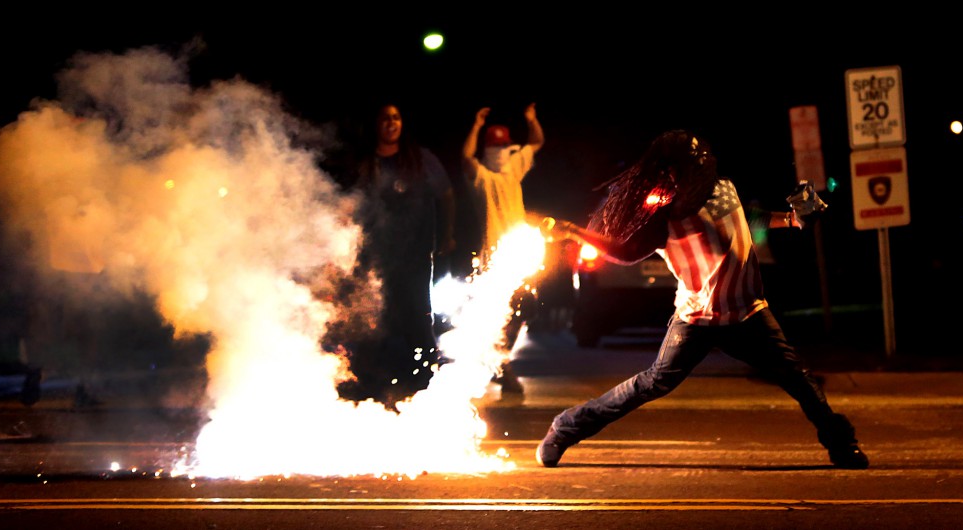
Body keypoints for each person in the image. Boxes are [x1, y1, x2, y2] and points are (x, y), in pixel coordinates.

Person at [534, 130, 868, 469]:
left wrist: (793, 219)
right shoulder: (662, 218)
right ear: (671, 174)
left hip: (747, 313)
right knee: (651, 384)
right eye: (689, 168)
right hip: (696, 320)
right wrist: (573, 231)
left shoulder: (723, 188)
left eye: (700, 165)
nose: (699, 172)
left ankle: (842, 445)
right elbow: (624, 252)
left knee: (798, 378)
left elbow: (747, 216)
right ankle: (565, 428)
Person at [334, 102, 456, 408]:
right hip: (373, 255)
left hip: (414, 253)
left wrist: (447, 235)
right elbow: (349, 203)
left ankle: (426, 380)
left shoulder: (420, 159)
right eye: (385, 118)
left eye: (396, 117)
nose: (391, 123)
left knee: (417, 317)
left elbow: (446, 195)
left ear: (403, 123)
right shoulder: (365, 162)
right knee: (371, 317)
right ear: (376, 124)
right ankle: (368, 383)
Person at [462, 103, 545, 396]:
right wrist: (476, 126)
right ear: (488, 150)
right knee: (498, 313)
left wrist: (531, 120)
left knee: (526, 310)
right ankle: (500, 365)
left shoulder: (514, 172)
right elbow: (466, 157)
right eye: (494, 146)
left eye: (503, 146)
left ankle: (499, 360)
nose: (500, 151)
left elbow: (536, 142)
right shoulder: (483, 178)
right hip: (493, 261)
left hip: (518, 257)